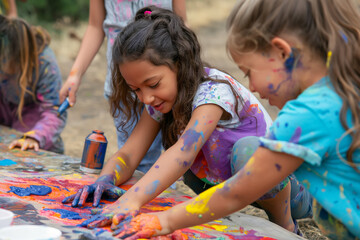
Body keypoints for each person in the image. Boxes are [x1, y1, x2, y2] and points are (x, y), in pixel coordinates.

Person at [107, 0, 360, 239]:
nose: (251, 86)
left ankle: (285, 226)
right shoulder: (339, 95)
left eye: (249, 72)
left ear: (282, 53)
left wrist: (164, 221)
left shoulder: (304, 117)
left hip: (292, 194)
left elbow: (236, 193)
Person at [62, 6, 312, 236]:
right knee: (188, 172)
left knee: (246, 153)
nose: (146, 97)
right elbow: (129, 154)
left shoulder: (213, 92)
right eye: (135, 89)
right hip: (228, 186)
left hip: (282, 184)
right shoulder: (162, 100)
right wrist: (105, 179)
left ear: (180, 64)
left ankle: (285, 224)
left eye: (153, 84)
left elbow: (184, 152)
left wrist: (131, 200)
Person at [59, 0, 187, 173]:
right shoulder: (131, 88)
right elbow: (95, 26)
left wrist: (187, 73)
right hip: (124, 89)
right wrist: (75, 75)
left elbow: (181, 25)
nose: (147, 99)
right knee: (137, 164)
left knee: (170, 161)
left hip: (167, 81)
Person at [0, 15, 66, 154]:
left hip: (34, 134)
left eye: (2, 60)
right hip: (6, 120)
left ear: (16, 57)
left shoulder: (45, 63)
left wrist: (35, 137)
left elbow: (54, 111)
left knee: (22, 150)